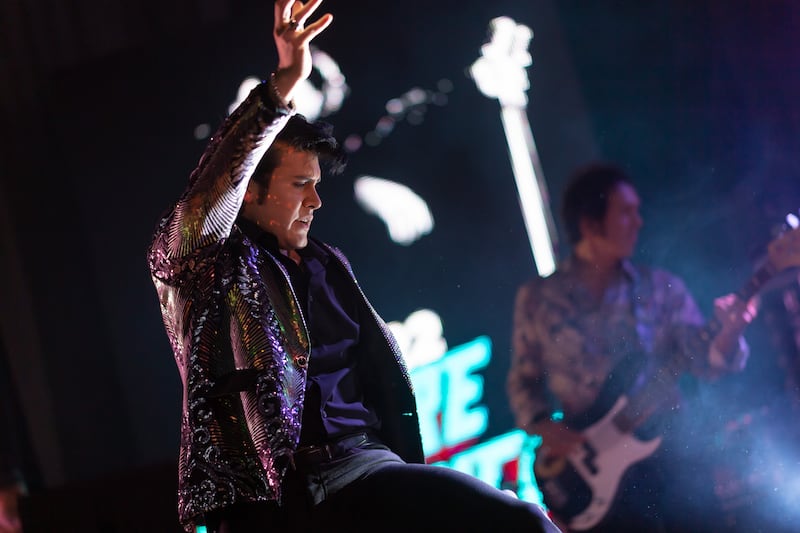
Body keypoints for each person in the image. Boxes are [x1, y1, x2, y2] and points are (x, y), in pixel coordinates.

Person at [147, 1, 562, 532]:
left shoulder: (327, 263)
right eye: (300, 185)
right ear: (249, 192)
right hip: (268, 501)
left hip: (363, 469)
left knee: (520, 522)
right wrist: (284, 83)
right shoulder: (203, 264)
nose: (317, 201)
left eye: (318, 184)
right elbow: (209, 196)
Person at [507, 162, 758, 533]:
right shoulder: (538, 299)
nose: (638, 221)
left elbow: (705, 360)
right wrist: (545, 427)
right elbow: (523, 381)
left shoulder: (659, 288)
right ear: (590, 224)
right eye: (625, 212)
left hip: (671, 459)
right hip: (589, 475)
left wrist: (729, 332)